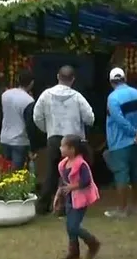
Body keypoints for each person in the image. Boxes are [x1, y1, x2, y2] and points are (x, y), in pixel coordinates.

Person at [33, 66, 94, 214]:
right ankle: (67, 207)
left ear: (57, 76)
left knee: (51, 173)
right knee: (72, 174)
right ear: (73, 79)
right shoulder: (77, 97)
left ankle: (42, 206)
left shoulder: (46, 95)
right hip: (73, 140)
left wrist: (47, 129)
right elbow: (90, 118)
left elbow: (37, 116)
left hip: (54, 138)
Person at [104, 68, 137, 218]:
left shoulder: (113, 98)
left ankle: (122, 209)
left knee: (121, 175)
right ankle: (136, 206)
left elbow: (119, 120)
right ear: (125, 79)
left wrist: (133, 133)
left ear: (111, 82)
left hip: (120, 142)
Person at [54, 135, 101, 259]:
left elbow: (86, 181)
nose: (60, 148)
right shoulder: (64, 164)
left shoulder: (81, 164)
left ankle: (92, 242)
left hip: (80, 199)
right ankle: (74, 251)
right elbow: (63, 181)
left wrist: (72, 187)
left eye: (63, 146)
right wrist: (59, 194)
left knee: (73, 226)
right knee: (69, 225)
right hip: (70, 199)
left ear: (72, 149)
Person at [0, 69, 35, 170]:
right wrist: (33, 145)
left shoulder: (5, 95)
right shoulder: (28, 100)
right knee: (17, 173)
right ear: (31, 83)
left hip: (5, 138)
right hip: (20, 141)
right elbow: (30, 123)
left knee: (5, 170)